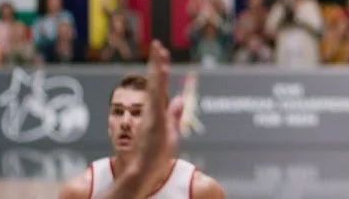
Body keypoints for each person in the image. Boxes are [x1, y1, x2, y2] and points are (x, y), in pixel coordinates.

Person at [59, 41, 225, 199]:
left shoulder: (200, 190)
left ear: (160, 124)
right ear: (109, 125)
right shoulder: (80, 191)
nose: (125, 122)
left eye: (137, 113)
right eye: (118, 112)